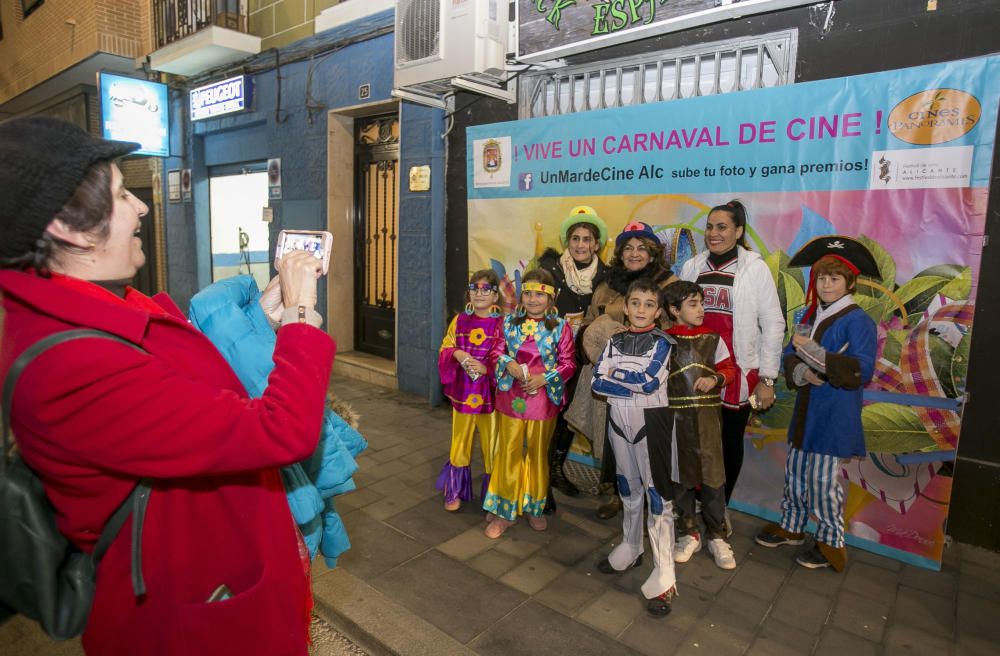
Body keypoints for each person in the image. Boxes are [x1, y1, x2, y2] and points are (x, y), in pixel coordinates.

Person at [0, 117, 332, 655]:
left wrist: (264, 318)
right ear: (68, 227)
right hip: (186, 616)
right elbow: (281, 429)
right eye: (121, 192)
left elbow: (178, 395)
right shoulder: (70, 366)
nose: (142, 207)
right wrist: (300, 316)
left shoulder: (93, 310)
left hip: (209, 574)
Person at [754, 236, 878, 571]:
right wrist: (801, 373)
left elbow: (861, 370)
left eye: (834, 278)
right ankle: (792, 527)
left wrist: (812, 354)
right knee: (795, 473)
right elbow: (790, 355)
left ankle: (830, 542)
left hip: (834, 414)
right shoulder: (811, 313)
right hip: (807, 409)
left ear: (849, 282)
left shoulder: (859, 320)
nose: (826, 284)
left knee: (823, 481)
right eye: (821, 278)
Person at [679, 200, 784, 513]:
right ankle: (695, 502)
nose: (714, 233)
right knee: (695, 438)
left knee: (728, 441)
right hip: (696, 369)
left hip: (736, 372)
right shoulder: (693, 267)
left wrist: (767, 378)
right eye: (710, 226)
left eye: (722, 227)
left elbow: (774, 323)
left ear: (738, 231)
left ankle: (717, 508)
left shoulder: (754, 268)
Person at [591, 278, 676, 617]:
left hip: (649, 425)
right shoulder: (614, 341)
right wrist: (625, 380)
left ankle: (665, 571)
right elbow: (598, 380)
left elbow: (650, 382)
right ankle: (630, 544)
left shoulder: (664, 343)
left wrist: (617, 378)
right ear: (625, 306)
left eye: (649, 304)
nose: (641, 310)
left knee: (658, 497)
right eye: (635, 303)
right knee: (628, 488)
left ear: (658, 310)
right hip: (618, 423)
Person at [583, 221, 677, 520]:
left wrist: (643, 333)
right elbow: (587, 322)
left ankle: (655, 495)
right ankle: (617, 493)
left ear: (652, 253)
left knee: (651, 443)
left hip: (651, 379)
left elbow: (677, 325)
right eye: (628, 248)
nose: (634, 254)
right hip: (611, 375)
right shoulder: (607, 284)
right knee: (615, 437)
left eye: (641, 248)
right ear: (620, 253)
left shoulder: (667, 283)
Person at [483, 269, 576, 538]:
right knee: (508, 452)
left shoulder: (561, 327)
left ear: (551, 297)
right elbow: (495, 351)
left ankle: (534, 506)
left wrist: (544, 379)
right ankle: (504, 511)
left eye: (540, 294)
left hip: (542, 402)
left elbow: (568, 363)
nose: (533, 299)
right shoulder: (508, 322)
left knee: (537, 455)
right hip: (510, 398)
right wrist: (506, 363)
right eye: (528, 293)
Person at [661, 281, 739, 570]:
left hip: (707, 419)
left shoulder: (713, 338)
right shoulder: (663, 340)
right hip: (674, 419)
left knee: (712, 475)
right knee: (679, 474)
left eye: (701, 303)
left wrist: (716, 379)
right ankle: (688, 531)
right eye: (693, 304)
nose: (701, 309)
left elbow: (729, 369)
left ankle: (717, 535)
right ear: (674, 309)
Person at [538, 205, 609, 505]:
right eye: (575, 238)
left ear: (596, 243)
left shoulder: (606, 277)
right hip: (548, 354)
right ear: (568, 241)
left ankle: (554, 469)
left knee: (568, 414)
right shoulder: (550, 271)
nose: (581, 244)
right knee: (546, 412)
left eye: (586, 239)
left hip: (583, 358)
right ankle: (539, 470)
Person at [435, 269, 504, 512]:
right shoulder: (460, 320)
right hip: (464, 395)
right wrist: (457, 352)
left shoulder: (502, 324)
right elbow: (446, 345)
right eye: (475, 288)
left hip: (491, 396)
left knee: (492, 442)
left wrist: (488, 369)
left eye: (486, 289)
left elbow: (509, 357)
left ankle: (493, 494)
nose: (479, 293)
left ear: (496, 296)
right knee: (460, 441)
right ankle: (454, 490)